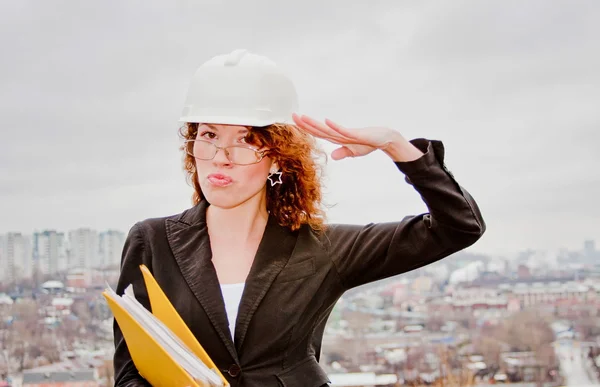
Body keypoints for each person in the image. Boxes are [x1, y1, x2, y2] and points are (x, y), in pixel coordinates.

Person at [112, 49, 485, 387]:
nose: (220, 155)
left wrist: (395, 145)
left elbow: (459, 226)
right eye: (208, 134)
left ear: (277, 157)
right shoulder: (152, 242)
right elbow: (131, 371)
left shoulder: (322, 249)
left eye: (246, 140)